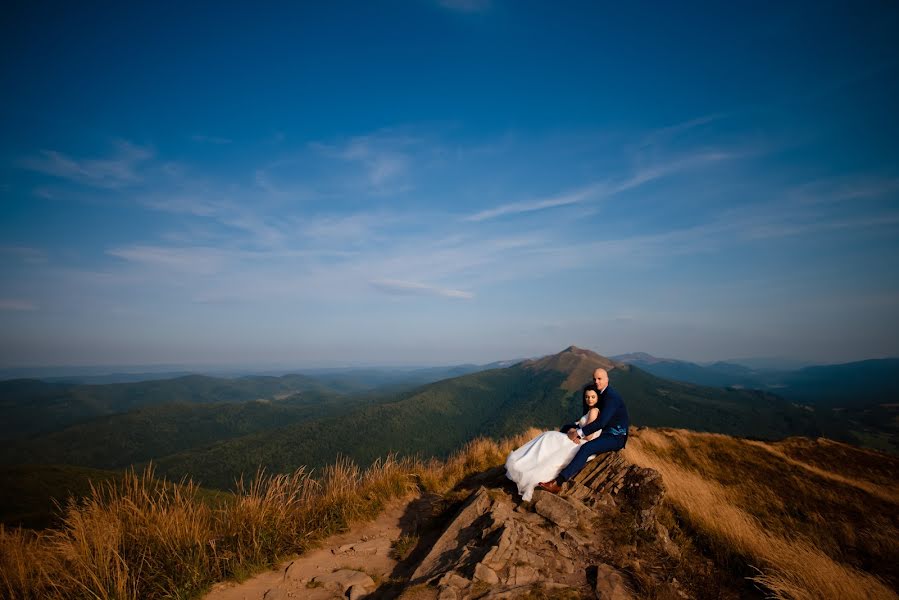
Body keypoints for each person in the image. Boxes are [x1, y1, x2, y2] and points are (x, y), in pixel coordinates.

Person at [538, 368, 629, 494]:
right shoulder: (602, 393)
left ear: (607, 379)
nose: (596, 381)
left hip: (615, 436)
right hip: (605, 432)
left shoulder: (611, 397)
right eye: (594, 379)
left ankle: (558, 483)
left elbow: (601, 422)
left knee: (587, 448)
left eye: (600, 378)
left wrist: (580, 434)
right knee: (566, 427)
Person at [505, 385, 601, 501]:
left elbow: (589, 435)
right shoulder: (591, 410)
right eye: (587, 397)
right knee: (547, 437)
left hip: (580, 442)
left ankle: (524, 466)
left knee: (548, 437)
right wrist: (573, 431)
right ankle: (528, 467)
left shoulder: (594, 411)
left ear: (597, 398)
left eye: (592, 397)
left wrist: (575, 434)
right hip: (578, 439)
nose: (589, 399)